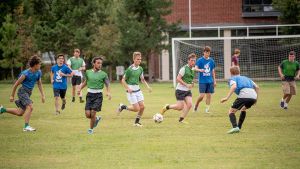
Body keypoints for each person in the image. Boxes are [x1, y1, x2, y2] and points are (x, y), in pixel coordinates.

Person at [0, 55, 45, 132]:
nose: (40, 65)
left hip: (28, 93)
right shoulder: (25, 74)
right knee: (30, 107)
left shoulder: (38, 72)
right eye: (39, 64)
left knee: (20, 112)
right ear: (35, 65)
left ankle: (2, 110)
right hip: (22, 91)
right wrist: (12, 95)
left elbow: (39, 83)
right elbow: (16, 84)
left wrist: (43, 95)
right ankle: (26, 126)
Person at [117, 51, 152, 127]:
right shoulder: (130, 69)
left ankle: (136, 122)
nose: (139, 61)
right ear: (134, 59)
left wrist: (148, 86)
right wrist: (128, 88)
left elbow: (142, 79)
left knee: (142, 107)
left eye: (140, 59)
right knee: (136, 109)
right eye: (137, 59)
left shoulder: (140, 69)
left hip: (138, 90)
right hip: (131, 92)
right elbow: (122, 80)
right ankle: (123, 106)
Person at [78, 56, 111, 134]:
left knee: (92, 112)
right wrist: (80, 89)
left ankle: (90, 129)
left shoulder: (103, 74)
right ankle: (96, 119)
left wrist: (108, 92)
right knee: (87, 114)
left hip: (98, 96)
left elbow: (107, 84)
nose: (100, 65)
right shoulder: (88, 72)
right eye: (98, 63)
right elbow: (86, 82)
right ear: (94, 63)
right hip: (89, 95)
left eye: (101, 63)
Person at [220, 66, 259, 134]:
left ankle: (235, 127)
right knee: (243, 109)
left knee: (231, 111)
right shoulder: (247, 78)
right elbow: (257, 87)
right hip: (253, 96)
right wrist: (256, 99)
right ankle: (239, 127)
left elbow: (234, 86)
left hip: (244, 95)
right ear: (239, 71)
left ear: (231, 73)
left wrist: (226, 98)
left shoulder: (233, 78)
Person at [160, 53, 196, 123]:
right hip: (180, 90)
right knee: (180, 107)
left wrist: (192, 84)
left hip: (187, 91)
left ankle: (181, 120)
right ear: (188, 61)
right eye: (191, 60)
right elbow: (178, 79)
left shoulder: (193, 69)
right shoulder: (183, 69)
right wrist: (186, 84)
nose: (193, 62)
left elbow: (189, 80)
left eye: (194, 61)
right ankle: (167, 107)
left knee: (190, 104)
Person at [193, 46, 216, 113]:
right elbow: (195, 68)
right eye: (206, 52)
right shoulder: (200, 60)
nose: (207, 54)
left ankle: (207, 109)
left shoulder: (211, 61)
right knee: (202, 96)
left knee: (209, 95)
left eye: (208, 53)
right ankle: (196, 105)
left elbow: (213, 71)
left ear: (209, 53)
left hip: (210, 81)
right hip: (202, 81)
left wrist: (214, 81)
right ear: (203, 52)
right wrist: (200, 70)